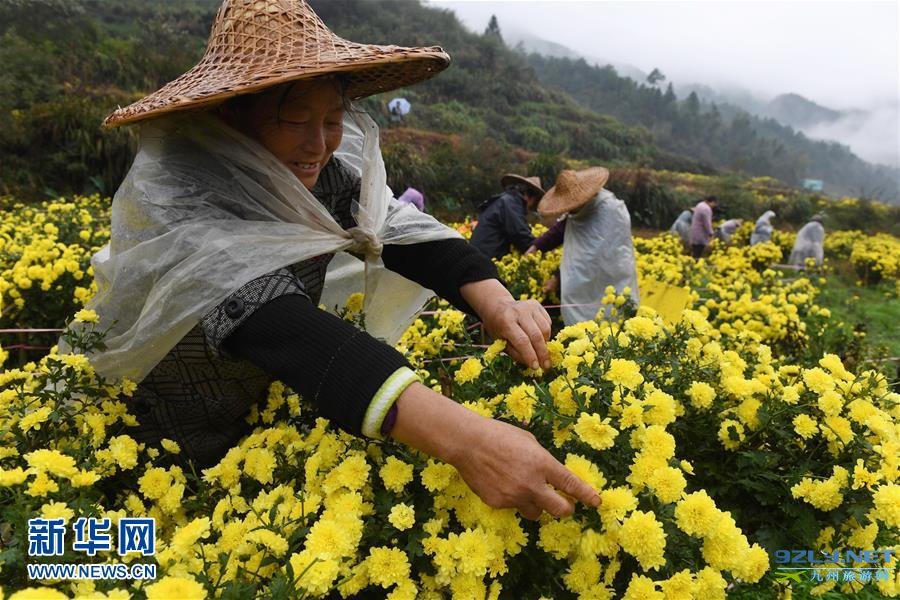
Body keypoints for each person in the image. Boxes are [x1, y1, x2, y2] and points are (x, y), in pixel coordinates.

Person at [84, 0, 598, 520]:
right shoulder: (186, 199)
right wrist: (469, 441)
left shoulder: (313, 174)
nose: (319, 144)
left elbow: (396, 229)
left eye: (332, 120)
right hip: (146, 438)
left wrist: (495, 300)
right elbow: (283, 327)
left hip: (245, 427)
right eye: (296, 119)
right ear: (230, 114)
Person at [530, 167, 639, 326]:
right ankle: (581, 342)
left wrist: (557, 278)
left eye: (572, 205)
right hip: (588, 270)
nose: (569, 209)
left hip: (611, 272)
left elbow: (592, 256)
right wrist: (536, 246)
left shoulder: (609, 210)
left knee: (613, 315)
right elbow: (563, 226)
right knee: (579, 307)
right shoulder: (578, 212)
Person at [469, 174, 544, 260]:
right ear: (531, 197)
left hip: (478, 256)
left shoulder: (506, 200)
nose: (529, 209)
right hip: (485, 260)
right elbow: (520, 235)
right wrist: (541, 249)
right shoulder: (512, 203)